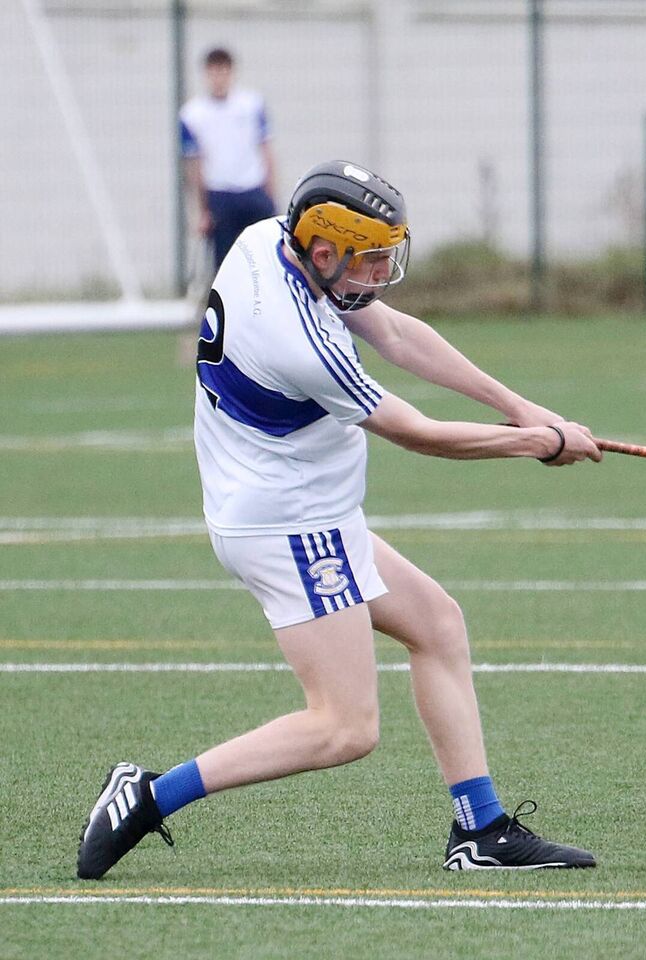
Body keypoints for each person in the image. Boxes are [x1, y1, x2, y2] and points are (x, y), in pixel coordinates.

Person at [77, 161, 602, 880]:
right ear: (324, 251)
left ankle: (481, 830)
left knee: (437, 626)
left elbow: (396, 333)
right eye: (372, 258)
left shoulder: (272, 239)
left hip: (299, 509)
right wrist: (535, 444)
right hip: (288, 524)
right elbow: (416, 432)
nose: (383, 272)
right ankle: (147, 797)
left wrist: (520, 407)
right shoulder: (297, 339)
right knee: (344, 726)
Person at [180, 48, 277, 274]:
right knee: (226, 265)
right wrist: (201, 210)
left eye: (223, 71)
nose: (219, 78)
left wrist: (271, 195)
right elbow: (194, 165)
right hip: (220, 195)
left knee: (265, 258)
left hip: (253, 190)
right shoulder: (192, 114)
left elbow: (266, 150)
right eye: (214, 72)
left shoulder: (252, 104)